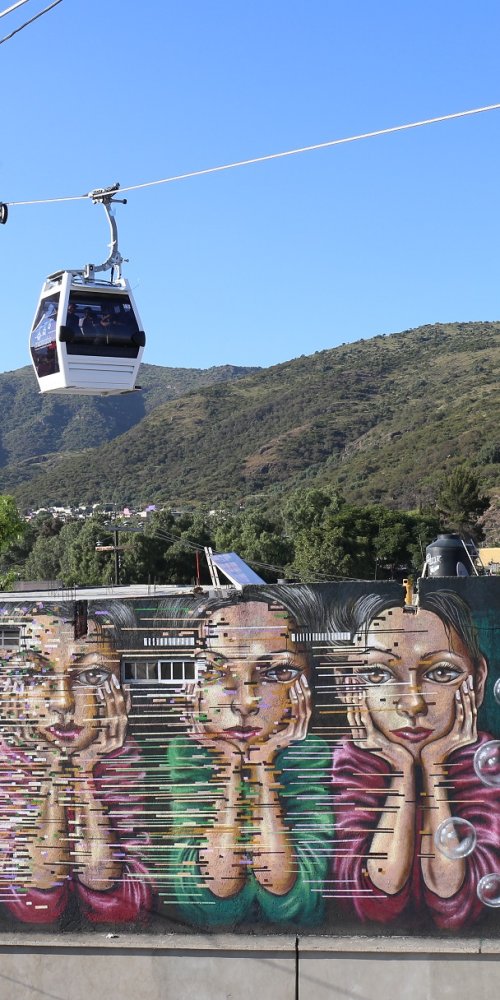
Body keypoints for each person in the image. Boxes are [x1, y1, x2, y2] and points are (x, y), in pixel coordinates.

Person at [160, 586, 334, 928]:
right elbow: (214, 895)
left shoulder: (310, 753)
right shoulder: (189, 752)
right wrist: (231, 767)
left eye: (277, 673)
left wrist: (263, 765)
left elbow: (291, 899)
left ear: (310, 680)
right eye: (213, 671)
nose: (244, 703)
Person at [330, 588, 500, 930]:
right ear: (348, 685)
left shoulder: (487, 762)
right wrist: (404, 769)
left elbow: (452, 894)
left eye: (440, 673)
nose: (412, 705)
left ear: (478, 681)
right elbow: (380, 891)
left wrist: (434, 767)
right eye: (378, 675)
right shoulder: (354, 760)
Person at [0, 600, 152, 925]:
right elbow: (36, 895)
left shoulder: (127, 758)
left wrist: (84, 775)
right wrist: (56, 772)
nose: (63, 701)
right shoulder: (10, 759)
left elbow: (113, 892)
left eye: (92, 676)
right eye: (35, 673)